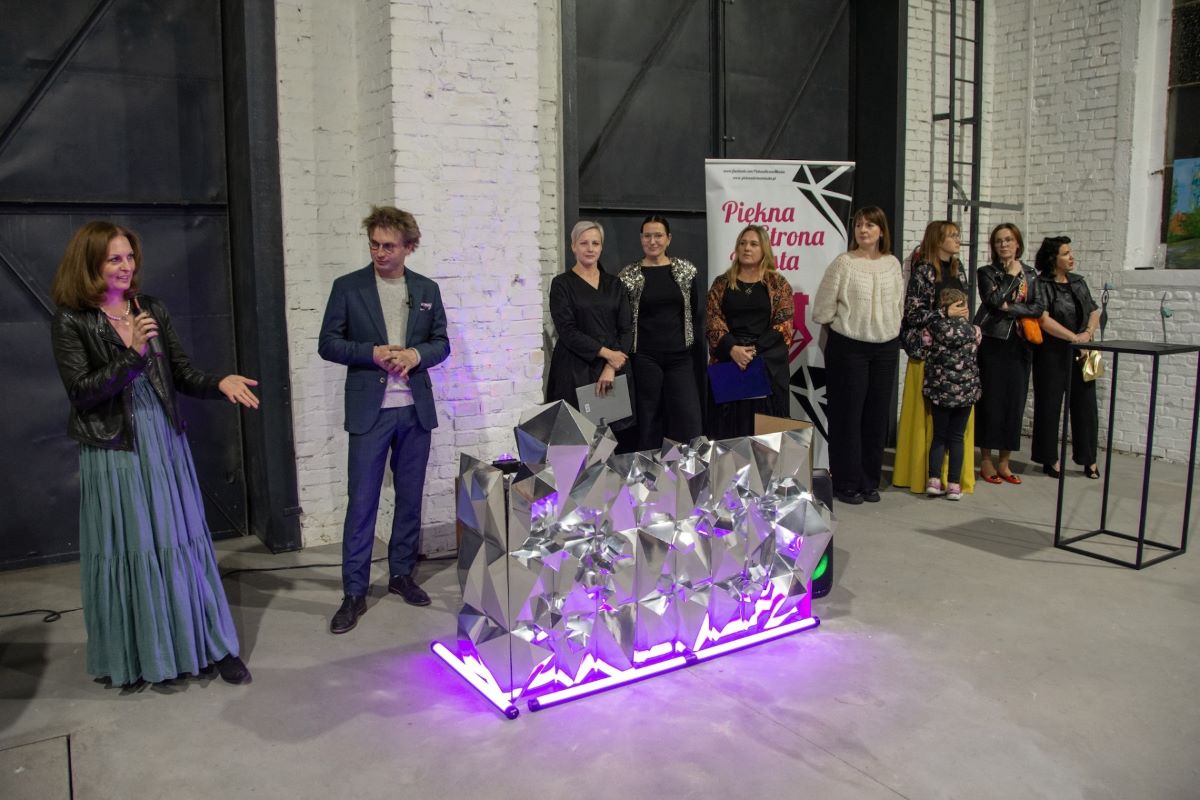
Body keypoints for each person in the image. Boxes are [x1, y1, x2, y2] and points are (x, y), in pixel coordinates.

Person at [49, 222, 259, 687]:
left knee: (182, 542)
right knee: (136, 545)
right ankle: (143, 654)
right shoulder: (71, 320)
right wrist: (133, 353)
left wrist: (218, 383)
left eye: (129, 257)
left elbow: (180, 373)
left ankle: (213, 645)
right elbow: (82, 393)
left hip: (163, 441)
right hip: (115, 448)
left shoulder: (151, 308)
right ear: (90, 264)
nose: (126, 266)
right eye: (114, 259)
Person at [318, 206, 450, 634]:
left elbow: (441, 343)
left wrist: (415, 355)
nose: (379, 252)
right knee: (362, 503)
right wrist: (371, 353)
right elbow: (328, 343)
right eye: (374, 244)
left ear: (409, 247)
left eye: (389, 246)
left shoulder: (426, 289)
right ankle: (354, 591)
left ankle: (401, 574)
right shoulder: (348, 287)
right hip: (370, 412)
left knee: (409, 499)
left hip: (414, 409)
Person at [812, 206, 905, 505]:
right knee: (847, 416)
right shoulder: (844, 263)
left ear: (881, 231)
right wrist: (845, 329)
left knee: (876, 417)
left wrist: (889, 329)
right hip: (849, 347)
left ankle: (869, 482)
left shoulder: (893, 264)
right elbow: (823, 308)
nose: (863, 230)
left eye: (870, 225)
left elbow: (899, 305)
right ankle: (846, 483)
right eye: (859, 225)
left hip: (886, 347)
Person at [894, 220, 976, 495]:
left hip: (956, 358)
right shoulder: (924, 271)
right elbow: (913, 314)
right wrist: (945, 313)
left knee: (955, 429)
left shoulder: (958, 269)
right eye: (952, 235)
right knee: (931, 422)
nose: (957, 240)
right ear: (937, 240)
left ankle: (952, 477)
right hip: (930, 356)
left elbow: (963, 308)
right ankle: (926, 475)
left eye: (958, 235)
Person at [617, 215, 706, 450]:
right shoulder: (628, 275)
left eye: (658, 235)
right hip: (645, 357)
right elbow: (623, 318)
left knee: (688, 418)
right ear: (641, 239)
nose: (653, 241)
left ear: (668, 239)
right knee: (649, 419)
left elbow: (693, 308)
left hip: (680, 356)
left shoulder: (685, 270)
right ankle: (649, 469)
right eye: (647, 236)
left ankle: (686, 468)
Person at [704, 224, 795, 439]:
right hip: (728, 362)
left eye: (754, 244)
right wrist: (733, 349)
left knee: (764, 436)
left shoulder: (778, 284)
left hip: (765, 364)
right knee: (728, 435)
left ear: (764, 249)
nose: (747, 248)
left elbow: (783, 324)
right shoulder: (722, 283)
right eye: (743, 243)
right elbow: (712, 318)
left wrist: (752, 352)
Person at [546, 221, 634, 443]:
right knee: (575, 439)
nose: (590, 248)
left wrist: (611, 366)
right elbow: (567, 331)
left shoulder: (615, 284)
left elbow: (626, 328)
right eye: (584, 243)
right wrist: (607, 354)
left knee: (612, 440)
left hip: (612, 370)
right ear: (573, 246)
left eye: (595, 243)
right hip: (574, 369)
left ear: (601, 247)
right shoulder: (561, 284)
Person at [974, 223, 1044, 484]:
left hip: (1021, 343)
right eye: (998, 241)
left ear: (1017, 244)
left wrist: (1010, 308)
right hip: (993, 342)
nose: (1003, 244)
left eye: (1008, 240)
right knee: (991, 401)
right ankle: (986, 460)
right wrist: (1011, 277)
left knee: (1014, 402)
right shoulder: (987, 272)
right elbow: (993, 301)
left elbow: (1038, 307)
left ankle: (1004, 462)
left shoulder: (1031, 274)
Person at [1030, 236, 1100, 479]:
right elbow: (1042, 319)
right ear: (1053, 258)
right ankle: (1049, 458)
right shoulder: (1040, 284)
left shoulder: (1079, 281)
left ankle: (1089, 459)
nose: (1071, 257)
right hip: (1051, 353)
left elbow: (1094, 311)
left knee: (1087, 406)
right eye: (1065, 253)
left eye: (1071, 252)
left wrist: (1086, 335)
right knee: (1049, 405)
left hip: (1087, 349)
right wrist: (1073, 338)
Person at [922, 287, 982, 501]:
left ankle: (934, 480)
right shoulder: (975, 331)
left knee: (939, 436)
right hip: (965, 392)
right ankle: (954, 485)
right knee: (957, 437)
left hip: (941, 391)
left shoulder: (932, 328)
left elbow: (925, 345)